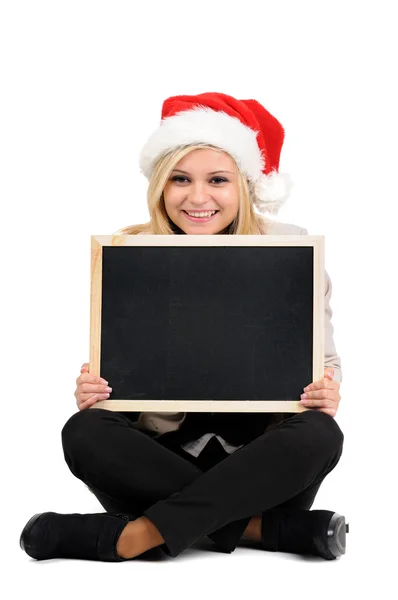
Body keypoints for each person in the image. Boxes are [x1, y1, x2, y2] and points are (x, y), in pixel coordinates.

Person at [20, 92, 348, 563]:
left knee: (320, 433)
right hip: (158, 461)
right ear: (160, 186)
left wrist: (327, 389)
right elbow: (124, 360)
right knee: (84, 431)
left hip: (260, 467)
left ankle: (131, 536)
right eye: (180, 179)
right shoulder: (130, 252)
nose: (197, 198)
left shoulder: (292, 251)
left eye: (217, 180)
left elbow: (326, 361)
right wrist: (99, 386)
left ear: (244, 187)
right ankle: (265, 530)